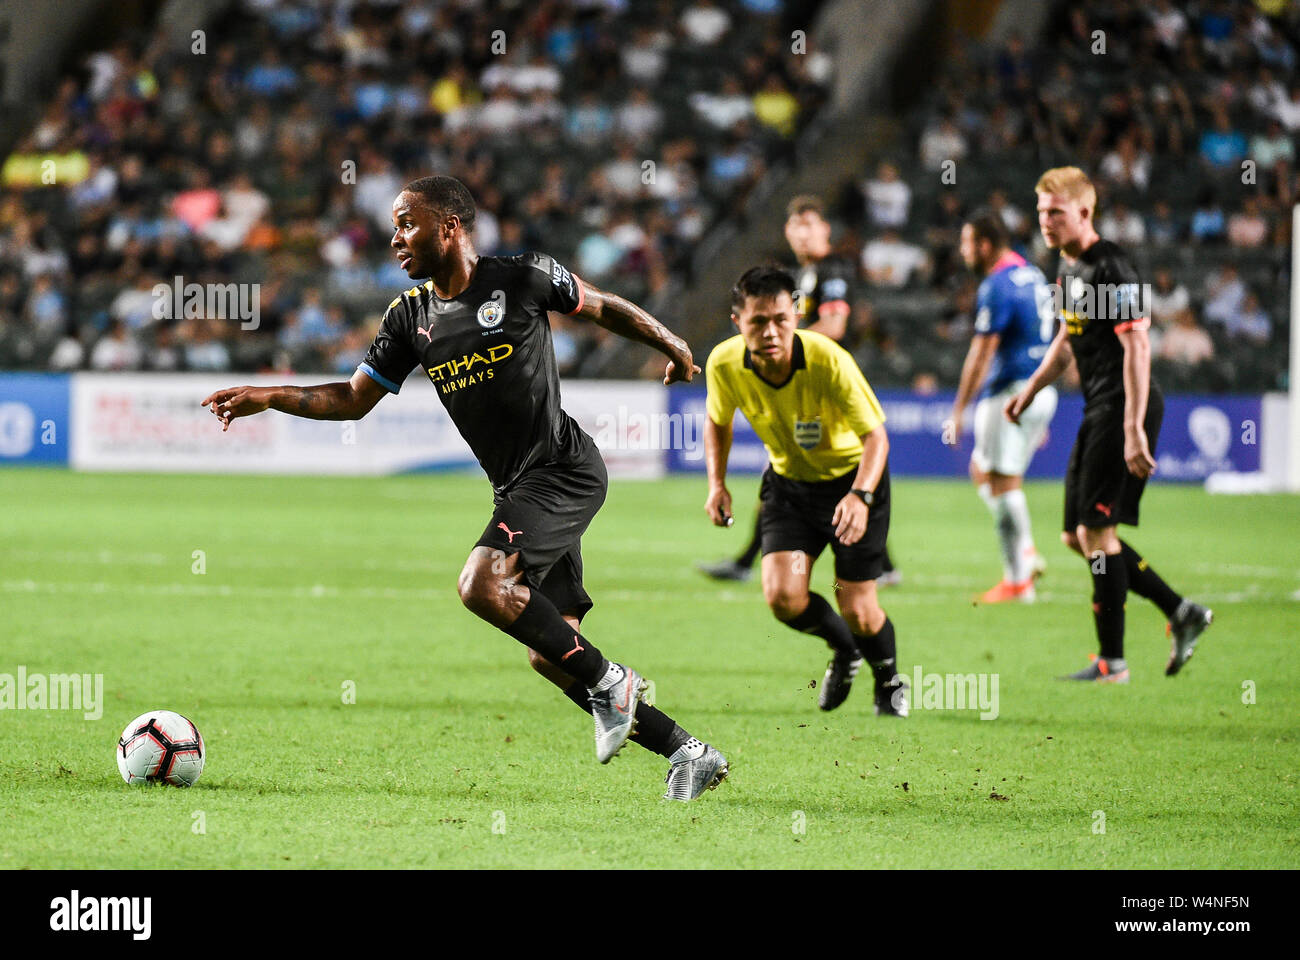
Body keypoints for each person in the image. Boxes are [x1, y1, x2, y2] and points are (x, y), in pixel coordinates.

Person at [201, 175, 727, 800]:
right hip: (515, 489)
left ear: (449, 227)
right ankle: (688, 752)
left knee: (482, 583)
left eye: (407, 223)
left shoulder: (522, 277)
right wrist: (269, 394)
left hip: (563, 469)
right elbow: (350, 399)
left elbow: (602, 304)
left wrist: (671, 342)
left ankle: (613, 688)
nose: (395, 238)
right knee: (550, 652)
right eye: (394, 226)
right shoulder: (410, 317)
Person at [1006, 167, 1213, 682]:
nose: (1046, 221)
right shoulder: (1067, 267)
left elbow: (1137, 344)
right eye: (1040, 212)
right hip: (1099, 405)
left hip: (1124, 404)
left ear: (1084, 211)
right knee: (1080, 537)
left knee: (1097, 533)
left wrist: (1134, 425)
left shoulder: (1114, 268)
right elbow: (1065, 340)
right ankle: (1179, 610)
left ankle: (1112, 661)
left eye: (1055, 212)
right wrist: (1030, 390)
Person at [702, 266, 907, 716]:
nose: (771, 331)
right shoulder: (723, 363)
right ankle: (846, 652)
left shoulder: (828, 359)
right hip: (790, 487)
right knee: (782, 597)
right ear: (739, 323)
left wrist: (861, 497)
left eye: (780, 318)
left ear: (796, 314)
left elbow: (877, 438)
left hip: (852, 483)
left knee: (858, 608)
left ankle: (889, 679)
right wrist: (717, 483)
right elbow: (718, 422)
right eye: (758, 321)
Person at [698, 195, 901, 584]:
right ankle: (881, 564)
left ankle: (748, 562)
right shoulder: (801, 275)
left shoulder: (833, 269)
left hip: (825, 385)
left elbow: (836, 327)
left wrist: (780, 348)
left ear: (826, 229)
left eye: (810, 224)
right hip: (803, 382)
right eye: (795, 226)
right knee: (788, 468)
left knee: (824, 462)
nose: (803, 233)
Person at [948, 211, 1056, 603]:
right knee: (985, 470)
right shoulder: (1034, 276)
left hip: (1011, 392)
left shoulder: (997, 285)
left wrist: (958, 409)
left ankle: (1018, 580)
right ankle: (1025, 551)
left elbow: (981, 353)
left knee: (1002, 481)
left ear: (985, 245)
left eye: (966, 242)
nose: (962, 251)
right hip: (1040, 389)